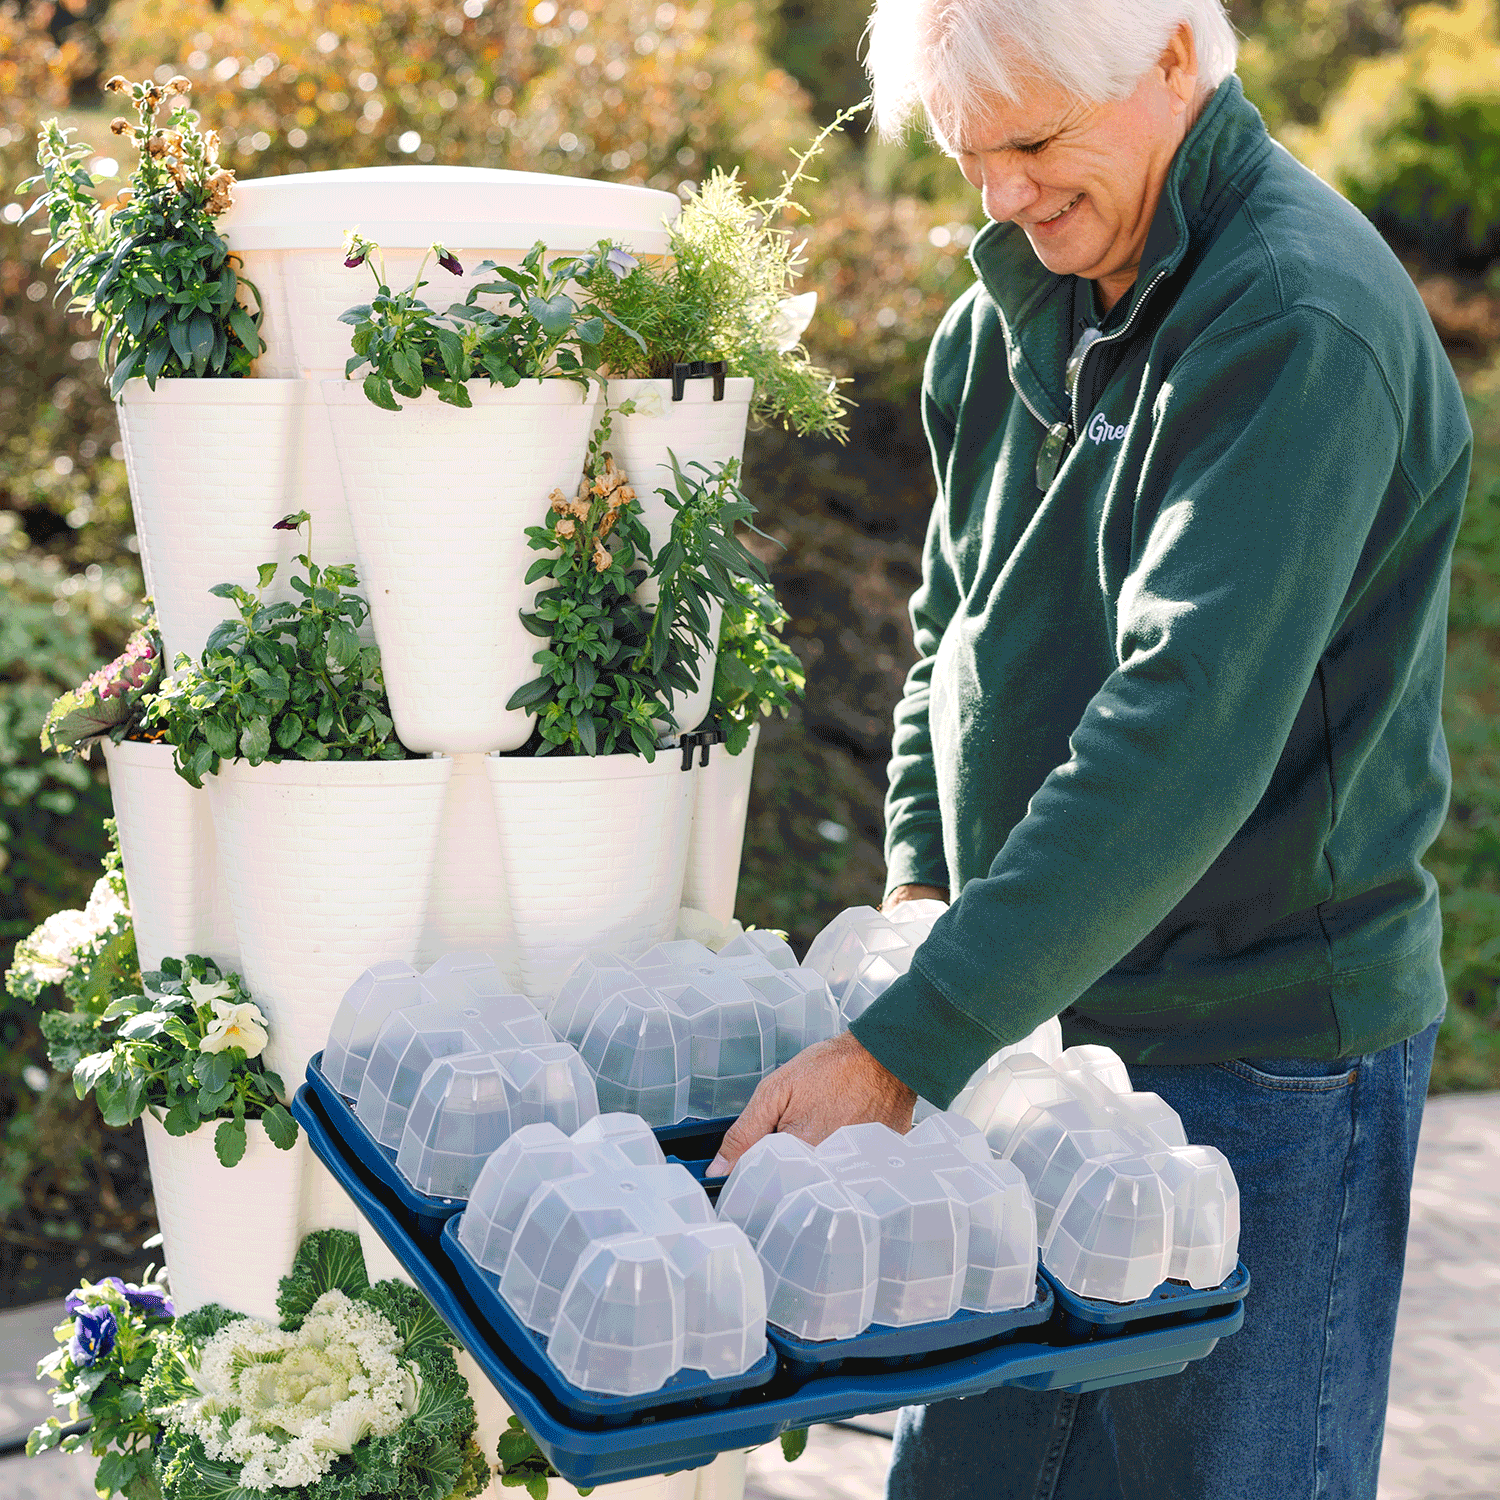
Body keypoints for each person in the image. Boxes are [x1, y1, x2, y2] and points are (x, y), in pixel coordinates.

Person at [707, 1, 1473, 1494]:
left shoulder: (1295, 319)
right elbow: (951, 635)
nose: (1003, 194)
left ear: (1174, 59)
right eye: (969, 155)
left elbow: (1183, 729)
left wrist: (905, 1043)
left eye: (1037, 140)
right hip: (1025, 1037)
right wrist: (923, 899)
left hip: (1253, 1063)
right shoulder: (1004, 315)